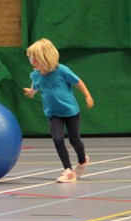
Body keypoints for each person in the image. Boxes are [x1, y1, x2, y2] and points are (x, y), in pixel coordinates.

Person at [23, 38, 94, 183]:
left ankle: (82, 160)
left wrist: (87, 95)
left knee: (75, 140)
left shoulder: (62, 70)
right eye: (30, 58)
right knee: (57, 139)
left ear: (45, 57)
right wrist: (31, 92)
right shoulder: (35, 75)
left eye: (34, 58)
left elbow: (78, 82)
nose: (31, 61)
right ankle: (68, 170)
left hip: (70, 112)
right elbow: (36, 86)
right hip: (53, 113)